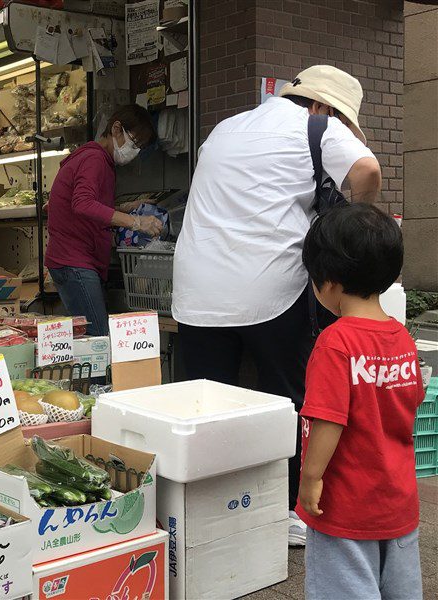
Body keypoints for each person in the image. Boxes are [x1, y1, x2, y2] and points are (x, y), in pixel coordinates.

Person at [171, 65, 382, 545]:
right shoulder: (318, 127)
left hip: (196, 291)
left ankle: (204, 513)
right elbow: (367, 170)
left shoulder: (224, 128)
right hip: (267, 289)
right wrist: (359, 215)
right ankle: (288, 511)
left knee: (208, 404)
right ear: (324, 107)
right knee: (285, 399)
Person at [297, 203, 424, 599]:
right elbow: (411, 400)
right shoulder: (400, 337)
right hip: (398, 501)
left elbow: (329, 421)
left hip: (345, 505)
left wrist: (310, 478)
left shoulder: (336, 342)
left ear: (328, 282)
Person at [45, 104, 162, 336]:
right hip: (75, 262)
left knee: (91, 341)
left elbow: (86, 205)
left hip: (74, 260)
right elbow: (83, 204)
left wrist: (126, 207)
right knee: (97, 341)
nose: (135, 151)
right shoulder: (94, 159)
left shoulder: (96, 159)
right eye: (134, 143)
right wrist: (136, 222)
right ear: (116, 129)